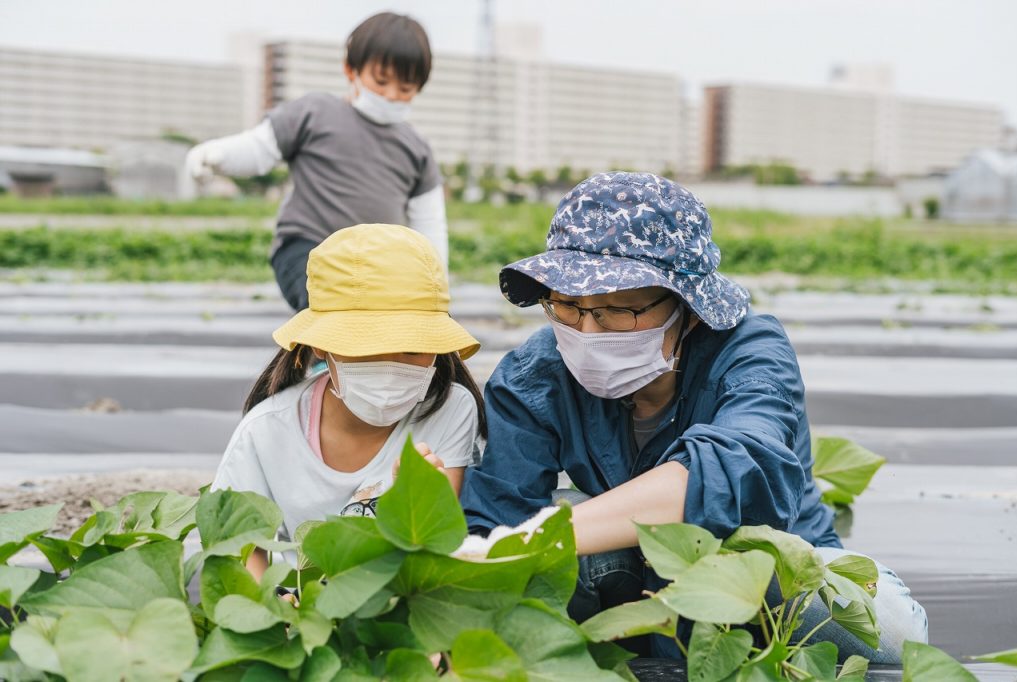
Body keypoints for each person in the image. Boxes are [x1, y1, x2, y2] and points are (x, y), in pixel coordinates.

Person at [459, 172, 927, 663]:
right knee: (551, 519)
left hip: (762, 576)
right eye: (567, 306)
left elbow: (729, 472)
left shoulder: (750, 352)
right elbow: (496, 514)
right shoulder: (536, 373)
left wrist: (539, 538)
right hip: (631, 575)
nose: (587, 332)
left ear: (691, 307)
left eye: (618, 310)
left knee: (890, 625)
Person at [213, 224, 483, 580]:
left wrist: (416, 500)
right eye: (367, 346)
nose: (390, 368)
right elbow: (240, 553)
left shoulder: (451, 409)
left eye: (413, 348)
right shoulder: (266, 430)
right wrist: (275, 604)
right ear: (319, 346)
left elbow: (433, 548)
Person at [186, 12, 446, 311]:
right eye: (381, 81)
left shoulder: (416, 148)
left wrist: (436, 285)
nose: (390, 95)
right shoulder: (315, 113)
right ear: (351, 70)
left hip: (379, 263)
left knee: (389, 315)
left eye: (405, 89)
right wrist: (215, 155)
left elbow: (429, 223)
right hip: (308, 248)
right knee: (333, 305)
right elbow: (259, 148)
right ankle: (326, 342)